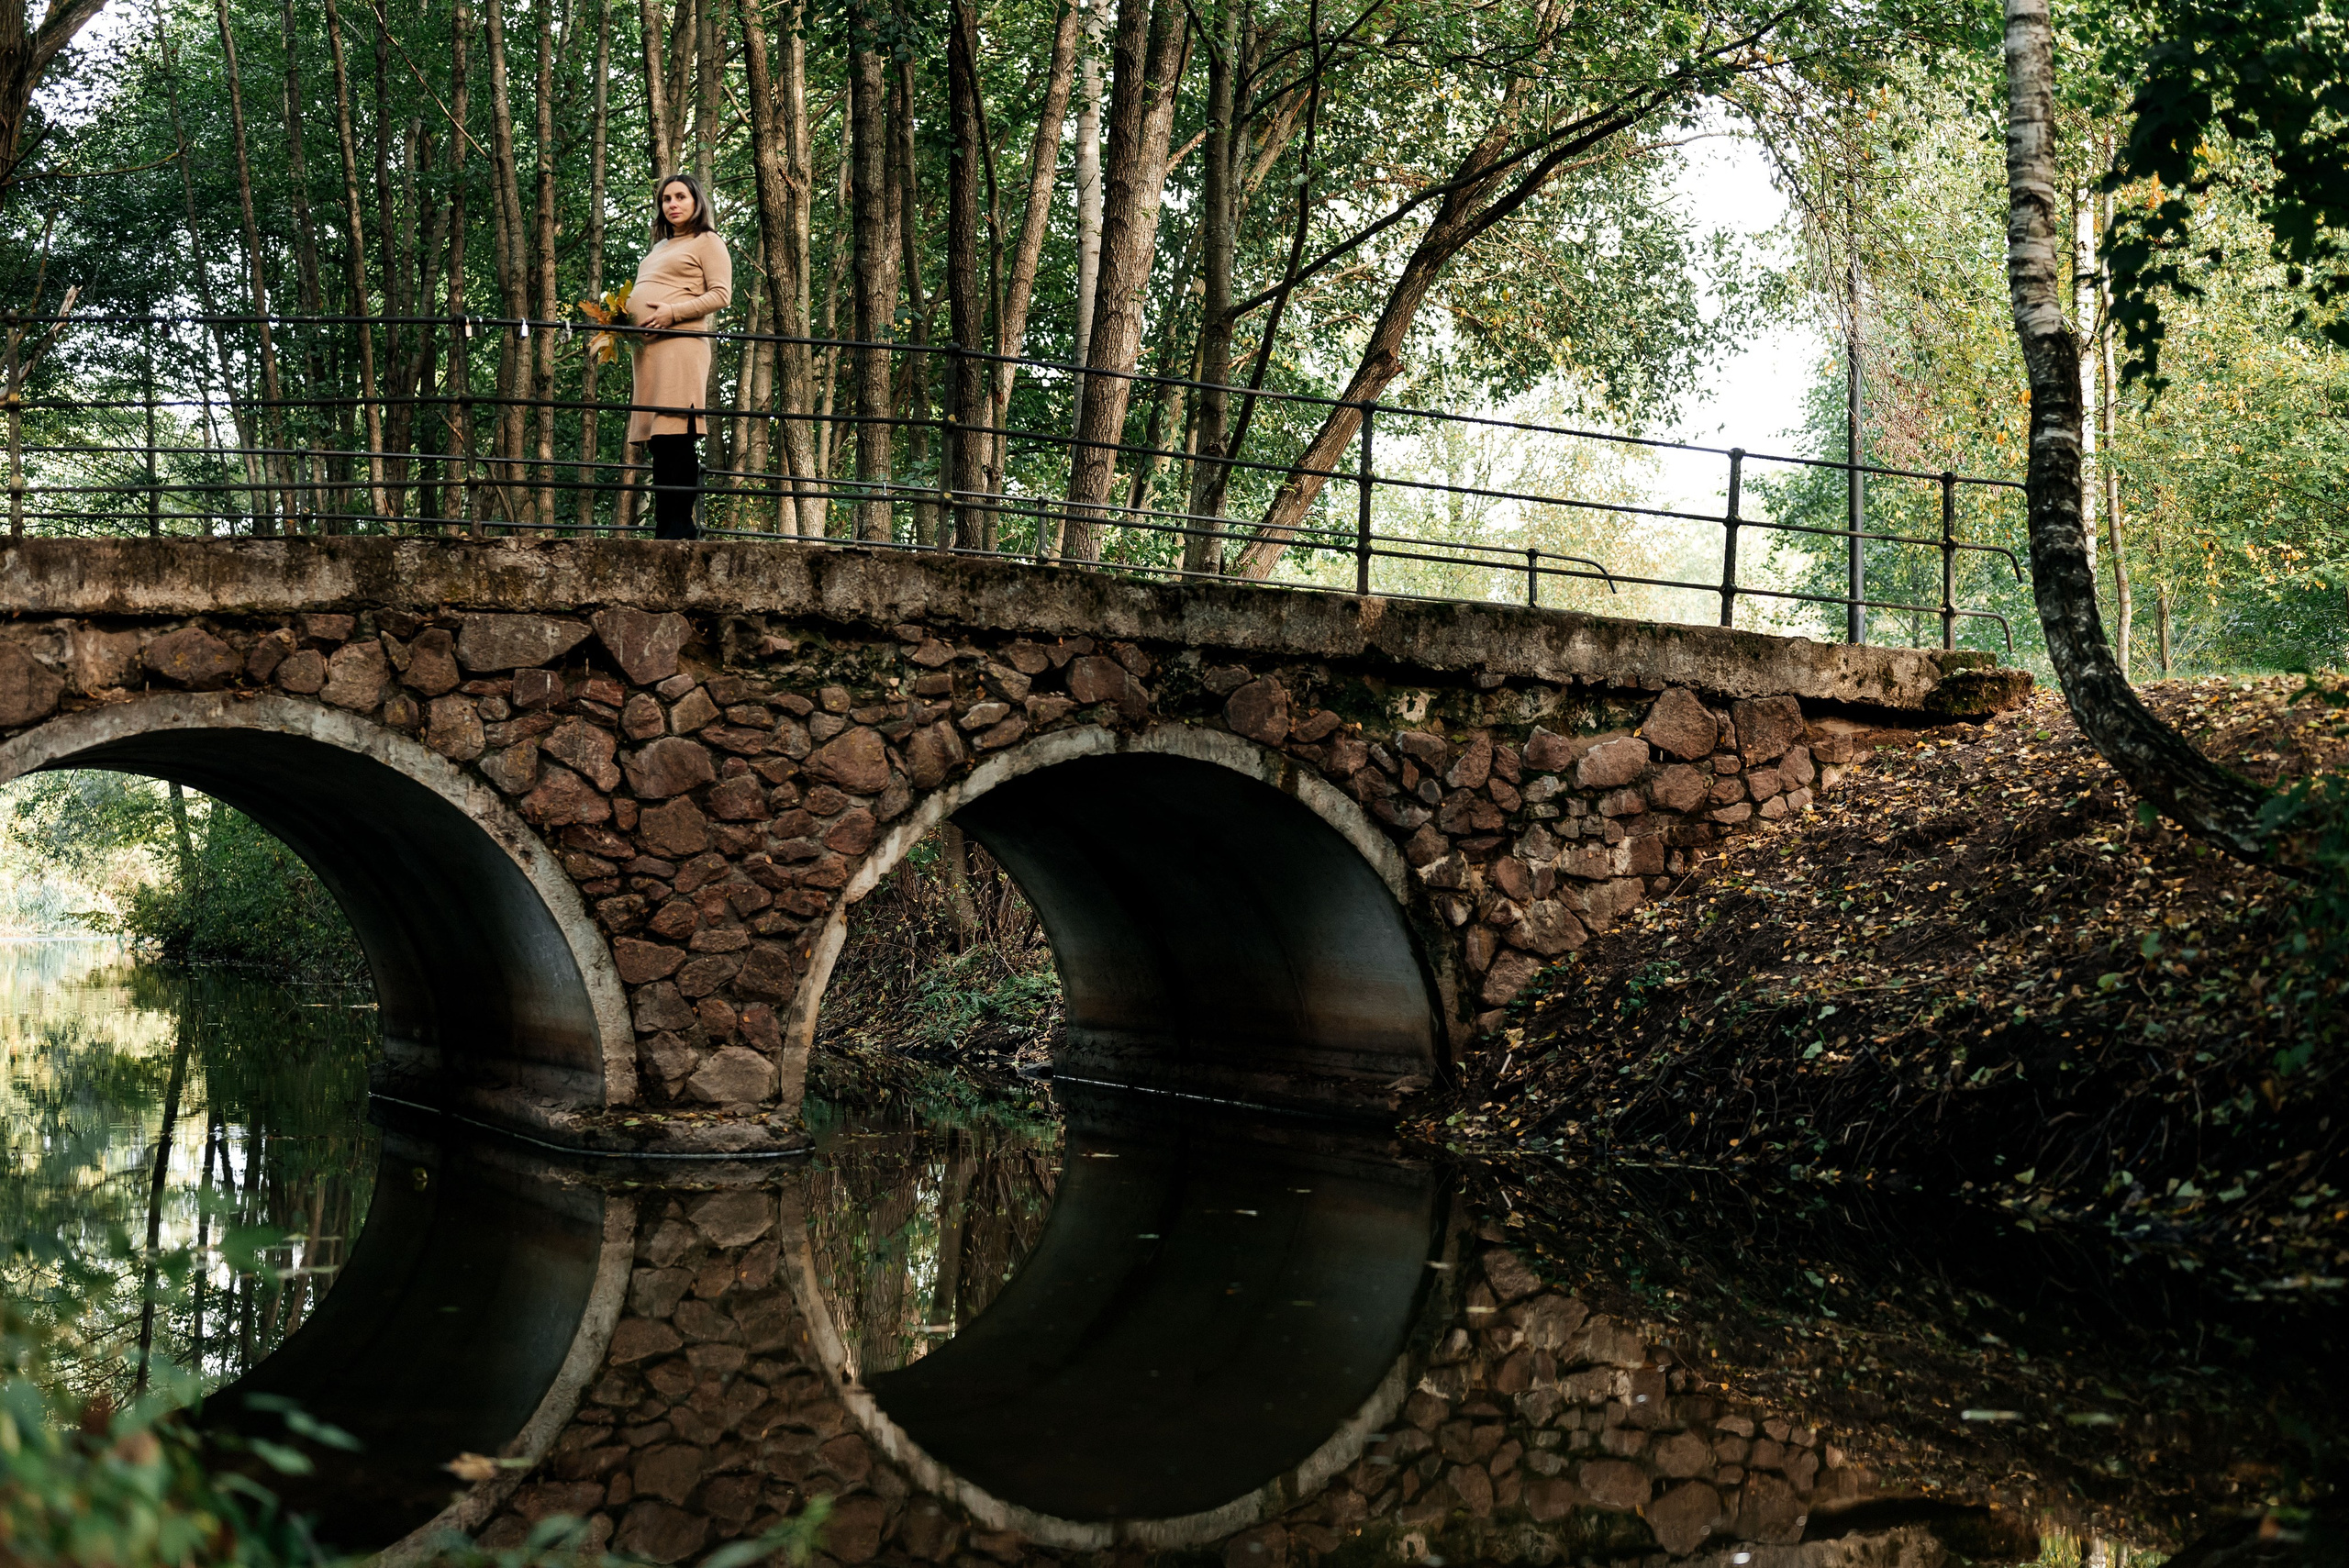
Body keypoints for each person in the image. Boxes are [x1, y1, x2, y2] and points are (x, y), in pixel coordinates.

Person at [627, 173, 731, 539]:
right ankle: (663, 526)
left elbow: (721, 295)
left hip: (681, 345)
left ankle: (681, 527)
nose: (672, 204)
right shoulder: (658, 248)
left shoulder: (708, 241)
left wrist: (672, 313)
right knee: (659, 440)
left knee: (677, 435)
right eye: (666, 199)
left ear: (696, 201)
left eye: (680, 197)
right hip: (649, 353)